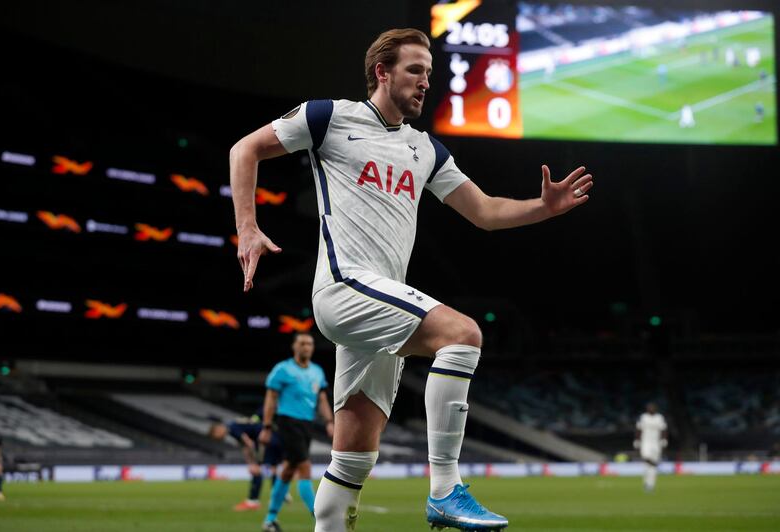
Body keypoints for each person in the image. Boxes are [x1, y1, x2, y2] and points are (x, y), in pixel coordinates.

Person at [229, 28, 593, 531]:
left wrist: (543, 208)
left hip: (379, 308)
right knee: (462, 334)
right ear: (382, 72)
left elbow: (485, 211)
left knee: (353, 459)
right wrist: (246, 228)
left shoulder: (426, 150)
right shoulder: (330, 117)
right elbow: (244, 149)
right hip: (342, 288)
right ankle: (445, 489)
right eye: (415, 70)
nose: (426, 82)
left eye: (429, 72)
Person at [258, 332, 334, 532]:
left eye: (309, 344)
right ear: (294, 347)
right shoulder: (282, 369)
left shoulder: (317, 371)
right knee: (304, 467)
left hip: (307, 424)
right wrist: (266, 427)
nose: (306, 347)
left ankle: (270, 519)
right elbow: (271, 399)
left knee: (288, 471)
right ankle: (320, 519)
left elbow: (322, 399)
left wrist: (329, 421)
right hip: (288, 422)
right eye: (302, 343)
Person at [208, 414, 285, 511]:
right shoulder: (233, 425)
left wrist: (253, 462)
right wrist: (250, 462)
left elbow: (248, 444)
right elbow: (245, 445)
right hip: (272, 436)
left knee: (258, 470)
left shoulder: (232, 429)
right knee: (271, 468)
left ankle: (253, 501)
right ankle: (279, 495)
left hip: (265, 439)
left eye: (216, 437)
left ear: (217, 430)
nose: (218, 439)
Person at [634, 402, 668, 492]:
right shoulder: (643, 417)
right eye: (649, 407)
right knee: (646, 459)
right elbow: (638, 429)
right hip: (645, 442)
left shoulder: (659, 417)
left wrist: (664, 440)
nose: (651, 409)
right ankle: (656, 465)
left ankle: (650, 485)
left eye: (652, 407)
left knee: (651, 468)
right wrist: (637, 440)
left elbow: (663, 429)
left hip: (656, 443)